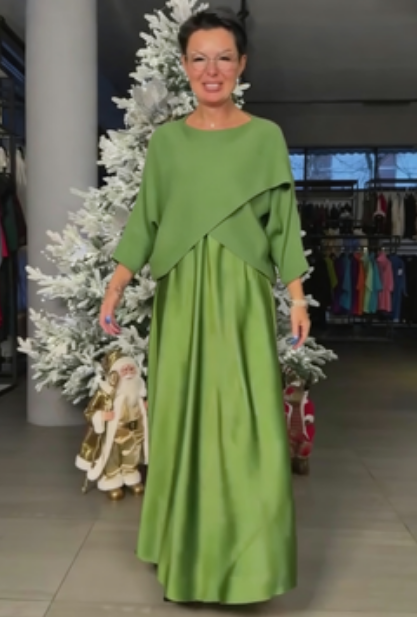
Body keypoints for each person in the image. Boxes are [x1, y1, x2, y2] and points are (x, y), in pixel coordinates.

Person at [99, 7, 310, 605]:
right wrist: (116, 286)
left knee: (249, 420)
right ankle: (188, 556)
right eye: (199, 58)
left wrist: (297, 298)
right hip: (181, 296)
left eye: (223, 58)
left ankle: (251, 564)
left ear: (241, 64)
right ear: (184, 65)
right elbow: (146, 219)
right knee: (184, 417)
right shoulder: (167, 143)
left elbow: (283, 224)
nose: (211, 70)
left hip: (242, 296)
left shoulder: (265, 137)